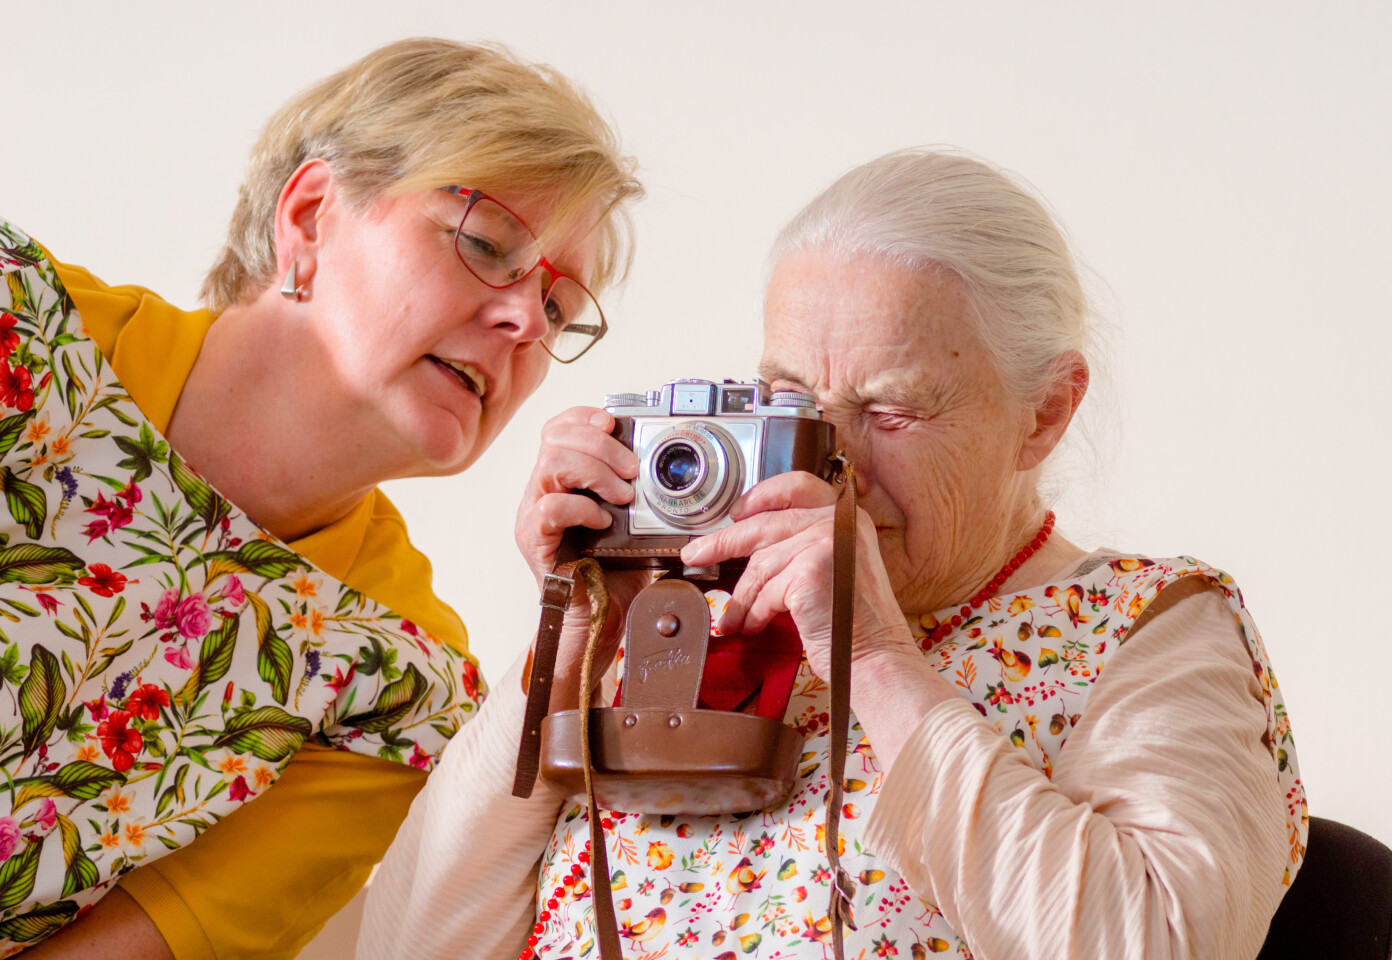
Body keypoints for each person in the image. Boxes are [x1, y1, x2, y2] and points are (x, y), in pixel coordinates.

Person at [359, 148, 1305, 960]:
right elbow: (409, 945)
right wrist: (569, 644)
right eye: (792, 403)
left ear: (1046, 413)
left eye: (892, 410)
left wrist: (874, 658)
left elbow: (1154, 940)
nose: (834, 458)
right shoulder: (697, 618)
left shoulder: (1148, 631)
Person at [0, 37, 640, 958]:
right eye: (488, 246)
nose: (523, 323)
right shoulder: (22, 325)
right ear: (309, 218)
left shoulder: (399, 688)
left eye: (560, 311)